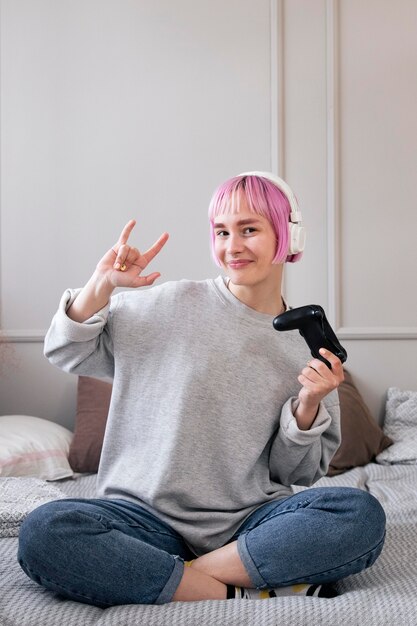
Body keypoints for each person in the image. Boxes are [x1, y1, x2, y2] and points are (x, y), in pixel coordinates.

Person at [18, 172, 386, 607]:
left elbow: (297, 475)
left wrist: (307, 405)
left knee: (359, 515)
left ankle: (170, 578)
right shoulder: (165, 305)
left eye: (249, 229)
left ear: (289, 235)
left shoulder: (304, 343)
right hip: (142, 520)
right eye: (221, 231)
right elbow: (65, 352)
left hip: (251, 523)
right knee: (45, 531)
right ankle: (239, 589)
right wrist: (101, 286)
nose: (232, 246)